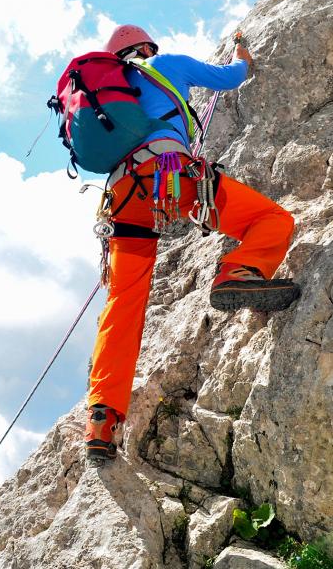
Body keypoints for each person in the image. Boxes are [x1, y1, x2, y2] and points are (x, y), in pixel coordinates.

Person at [85, 24, 300, 462]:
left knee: (122, 307)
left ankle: (101, 424)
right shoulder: (165, 65)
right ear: (143, 48)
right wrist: (242, 51)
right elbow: (232, 77)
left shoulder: (105, 97)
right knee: (271, 219)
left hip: (121, 199)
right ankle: (238, 271)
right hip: (170, 176)